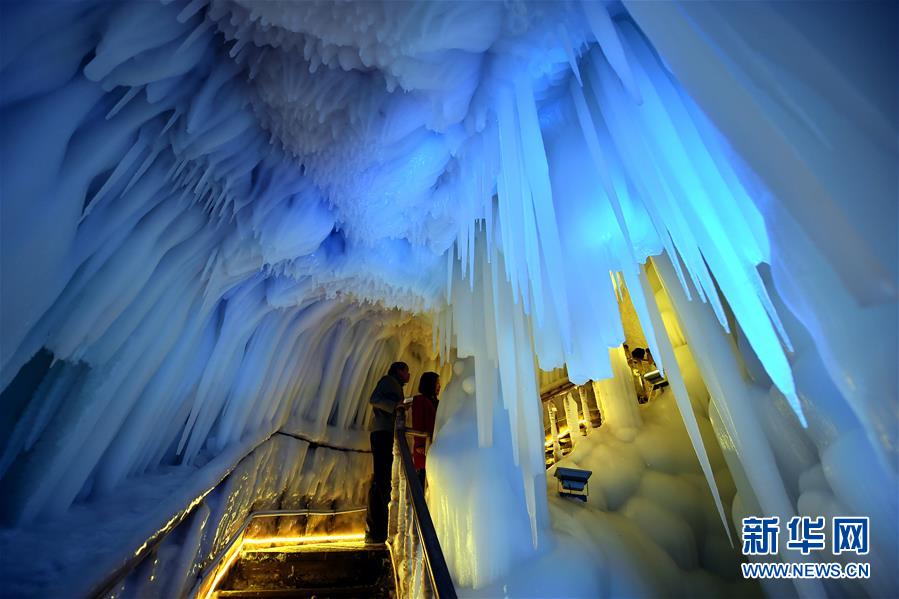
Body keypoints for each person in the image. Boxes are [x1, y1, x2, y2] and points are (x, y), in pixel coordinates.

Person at [365, 361, 410, 543]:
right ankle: (375, 528)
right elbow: (374, 399)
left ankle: (378, 527)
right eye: (407, 372)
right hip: (382, 432)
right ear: (399, 371)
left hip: (386, 432)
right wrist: (396, 405)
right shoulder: (388, 381)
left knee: (383, 478)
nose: (409, 376)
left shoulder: (395, 384)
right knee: (382, 478)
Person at [410, 372, 440, 489]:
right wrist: (420, 445)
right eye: (437, 383)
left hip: (433, 446)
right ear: (430, 384)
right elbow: (418, 423)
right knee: (423, 481)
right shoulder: (420, 400)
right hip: (424, 448)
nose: (439, 386)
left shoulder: (436, 402)